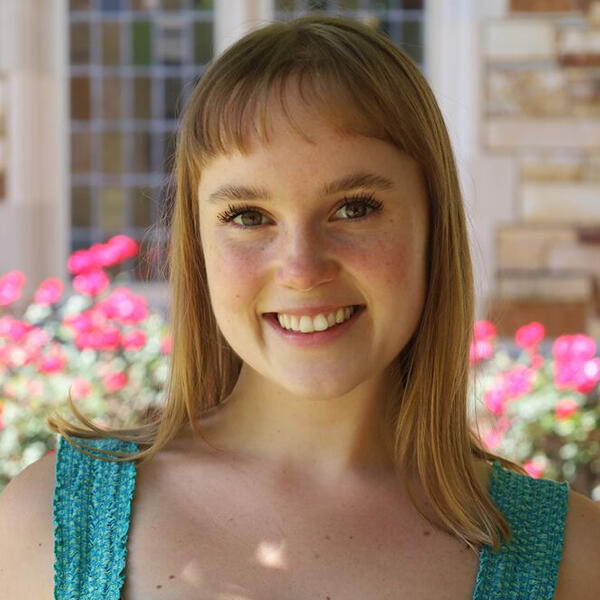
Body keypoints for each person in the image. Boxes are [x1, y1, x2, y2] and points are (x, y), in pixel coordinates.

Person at [1, 13, 599, 600]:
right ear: (198, 248)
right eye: (247, 216)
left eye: (354, 207)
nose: (303, 268)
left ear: (432, 227)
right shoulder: (44, 527)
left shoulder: (578, 561)